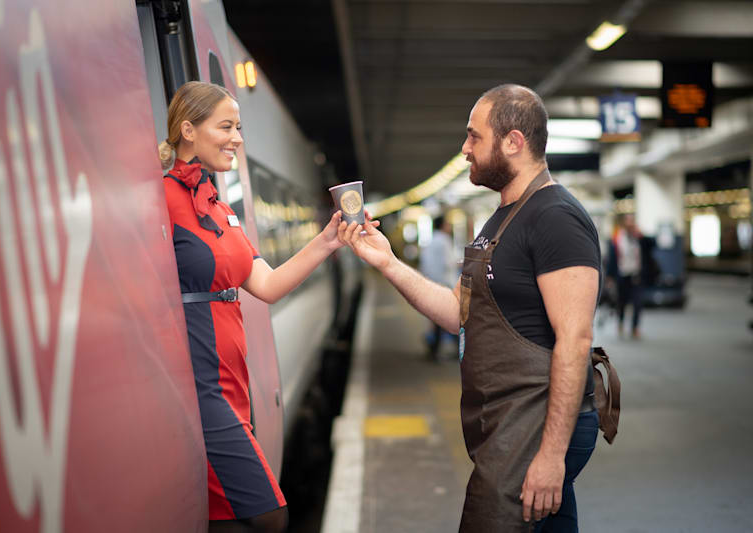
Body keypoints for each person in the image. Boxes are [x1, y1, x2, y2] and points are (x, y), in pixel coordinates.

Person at [338, 84, 602, 532]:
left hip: (533, 426)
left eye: (474, 137)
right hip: (507, 421)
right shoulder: (504, 216)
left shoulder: (556, 217)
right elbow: (463, 314)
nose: (464, 149)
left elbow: (574, 342)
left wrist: (551, 456)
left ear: (513, 142)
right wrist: (387, 262)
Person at [158, 81, 361, 533]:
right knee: (268, 515)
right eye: (226, 126)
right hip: (199, 384)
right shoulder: (160, 199)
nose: (237, 137)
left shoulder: (217, 207)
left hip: (234, 382)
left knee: (227, 517)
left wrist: (327, 241)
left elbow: (266, 285)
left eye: (240, 127)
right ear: (187, 130)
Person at [605, 213, 653, 339]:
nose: (631, 224)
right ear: (624, 223)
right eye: (628, 221)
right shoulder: (617, 239)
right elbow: (612, 258)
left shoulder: (639, 238)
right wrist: (610, 276)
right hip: (622, 276)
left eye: (633, 221)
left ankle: (635, 327)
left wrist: (641, 235)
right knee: (622, 302)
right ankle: (620, 322)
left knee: (638, 302)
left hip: (637, 276)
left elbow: (653, 245)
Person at [419, 215, 456, 359]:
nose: (449, 226)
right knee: (447, 319)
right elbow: (449, 263)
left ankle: (433, 349)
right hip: (445, 285)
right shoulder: (444, 241)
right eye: (448, 224)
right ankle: (435, 350)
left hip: (432, 282)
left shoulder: (431, 240)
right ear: (442, 225)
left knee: (436, 320)